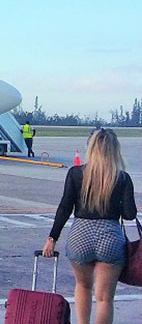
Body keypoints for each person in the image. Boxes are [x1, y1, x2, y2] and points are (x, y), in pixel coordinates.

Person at [42, 129, 137, 324]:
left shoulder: (76, 173)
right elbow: (129, 215)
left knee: (83, 286)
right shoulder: (122, 178)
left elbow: (65, 207)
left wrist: (52, 238)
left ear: (90, 148)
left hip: (80, 234)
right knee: (104, 298)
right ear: (115, 150)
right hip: (110, 236)